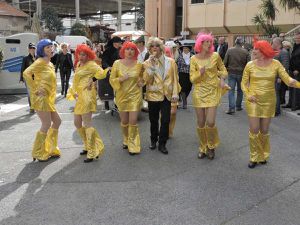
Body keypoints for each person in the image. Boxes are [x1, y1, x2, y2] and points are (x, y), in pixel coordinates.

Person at [241, 39, 300, 169]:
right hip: (253, 100)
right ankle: (254, 156)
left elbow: (288, 80)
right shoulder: (250, 65)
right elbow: (244, 83)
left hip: (268, 101)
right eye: (254, 48)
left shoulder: (276, 64)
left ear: (263, 51)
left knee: (264, 130)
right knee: (254, 129)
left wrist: (298, 84)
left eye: (256, 49)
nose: (254, 50)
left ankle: (263, 155)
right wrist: (248, 94)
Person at [190, 33, 229, 160]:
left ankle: (211, 146)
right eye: (205, 41)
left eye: (210, 42)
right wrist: (199, 73)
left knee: (210, 122)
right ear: (199, 44)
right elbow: (192, 79)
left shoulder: (215, 56)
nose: (208, 44)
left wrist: (222, 79)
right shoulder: (194, 59)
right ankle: (203, 146)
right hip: (199, 92)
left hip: (212, 91)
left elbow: (223, 70)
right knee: (201, 122)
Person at [23, 39, 62, 162]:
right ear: (41, 50)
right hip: (41, 98)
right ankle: (38, 152)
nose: (51, 49)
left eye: (51, 47)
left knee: (57, 121)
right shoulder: (39, 61)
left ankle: (50, 148)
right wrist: (36, 89)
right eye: (47, 48)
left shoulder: (50, 64)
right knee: (46, 124)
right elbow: (26, 73)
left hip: (48, 99)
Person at [67, 44, 106, 163]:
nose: (81, 56)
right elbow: (75, 80)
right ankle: (88, 145)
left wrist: (92, 80)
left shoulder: (91, 64)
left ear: (88, 55)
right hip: (79, 96)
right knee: (77, 122)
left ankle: (92, 150)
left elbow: (102, 73)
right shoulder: (79, 64)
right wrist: (73, 91)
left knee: (87, 123)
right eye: (79, 54)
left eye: (84, 54)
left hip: (88, 95)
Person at [143, 37, 180, 154]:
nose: (155, 48)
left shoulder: (171, 61)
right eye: (152, 46)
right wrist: (152, 67)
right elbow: (145, 80)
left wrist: (175, 93)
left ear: (161, 48)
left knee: (165, 120)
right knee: (153, 120)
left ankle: (162, 143)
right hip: (153, 95)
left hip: (167, 95)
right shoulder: (147, 63)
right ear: (149, 49)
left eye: (157, 46)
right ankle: (153, 140)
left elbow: (175, 79)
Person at [109, 42, 144, 155]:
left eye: (132, 49)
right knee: (124, 121)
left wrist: (141, 82)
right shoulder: (117, 63)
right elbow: (111, 80)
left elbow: (143, 78)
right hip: (122, 96)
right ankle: (126, 139)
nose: (130, 51)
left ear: (135, 51)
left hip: (135, 95)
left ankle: (133, 144)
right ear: (123, 51)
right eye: (127, 49)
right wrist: (120, 79)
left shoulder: (139, 64)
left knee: (133, 121)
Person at [224, 37, 250, 114]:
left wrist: (225, 70)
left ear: (235, 42)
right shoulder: (246, 52)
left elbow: (225, 62)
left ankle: (231, 108)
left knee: (231, 91)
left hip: (231, 72)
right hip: (242, 73)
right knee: (240, 90)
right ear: (241, 43)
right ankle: (238, 106)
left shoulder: (229, 50)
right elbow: (249, 64)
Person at [101, 36, 123, 110]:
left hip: (120, 71)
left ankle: (117, 104)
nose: (120, 44)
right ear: (115, 43)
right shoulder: (108, 50)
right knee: (108, 88)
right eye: (119, 42)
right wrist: (108, 67)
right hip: (110, 71)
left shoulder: (121, 50)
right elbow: (104, 61)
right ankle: (106, 102)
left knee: (118, 88)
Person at [272, 37, 290, 116]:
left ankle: (276, 111)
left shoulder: (283, 52)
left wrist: (280, 77)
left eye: (273, 43)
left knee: (276, 93)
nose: (272, 44)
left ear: (277, 44)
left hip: (277, 77)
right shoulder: (277, 51)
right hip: (273, 76)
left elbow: (285, 66)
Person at [20, 43, 36, 114]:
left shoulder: (37, 58)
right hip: (28, 78)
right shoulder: (25, 58)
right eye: (31, 48)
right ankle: (31, 108)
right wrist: (21, 78)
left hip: (36, 79)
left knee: (36, 93)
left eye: (33, 48)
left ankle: (35, 106)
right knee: (30, 93)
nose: (32, 50)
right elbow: (22, 69)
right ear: (28, 50)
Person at [176, 44, 193, 109]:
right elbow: (177, 65)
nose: (185, 49)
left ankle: (183, 98)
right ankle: (184, 102)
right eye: (184, 48)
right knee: (183, 88)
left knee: (189, 88)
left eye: (186, 48)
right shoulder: (180, 56)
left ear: (189, 49)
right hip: (181, 74)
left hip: (190, 74)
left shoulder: (192, 56)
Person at [289, 32, 300, 114]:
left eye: (298, 38)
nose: (297, 39)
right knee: (292, 88)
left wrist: (298, 70)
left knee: (297, 90)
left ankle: (296, 105)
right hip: (292, 71)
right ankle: (292, 103)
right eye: (296, 38)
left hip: (298, 72)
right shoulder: (295, 46)